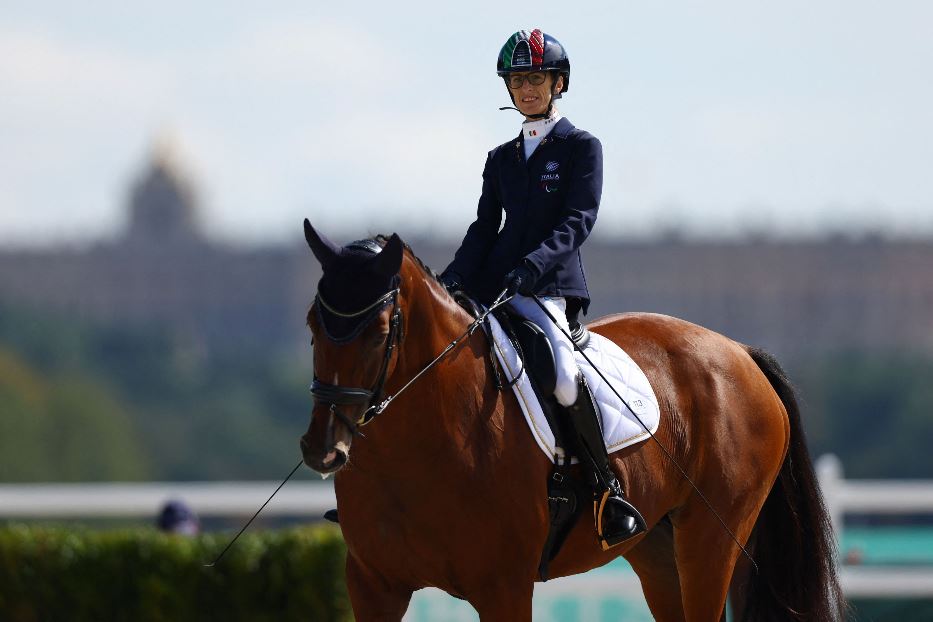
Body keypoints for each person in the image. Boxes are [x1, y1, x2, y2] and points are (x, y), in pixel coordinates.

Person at [440, 29, 646, 549]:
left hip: (549, 285)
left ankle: (605, 489)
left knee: (564, 377)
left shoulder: (581, 148)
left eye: (535, 78)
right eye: (517, 80)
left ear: (559, 83)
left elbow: (578, 220)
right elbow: (485, 228)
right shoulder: (500, 158)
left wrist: (532, 266)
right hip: (496, 284)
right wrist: (453, 280)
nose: (526, 89)